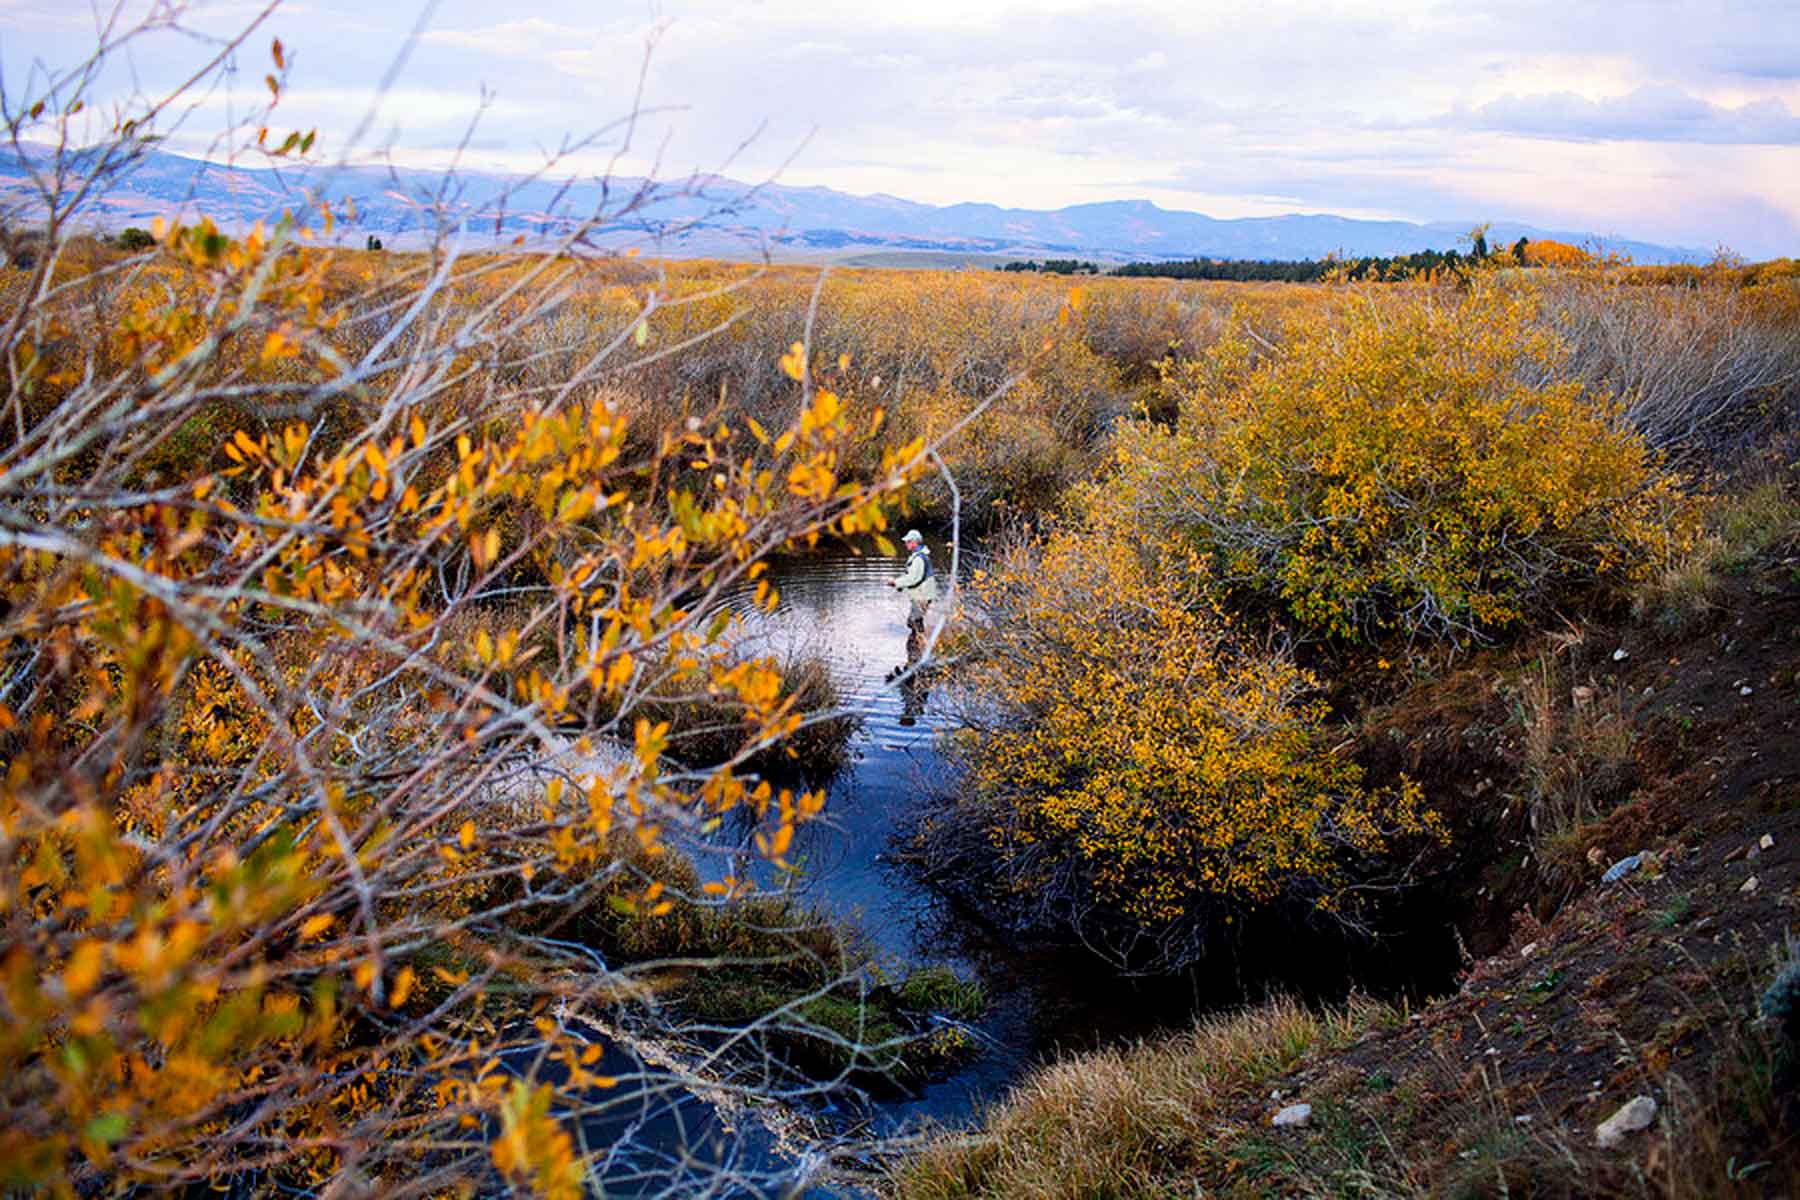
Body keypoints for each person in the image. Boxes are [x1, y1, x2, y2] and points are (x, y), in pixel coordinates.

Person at [890, 529, 938, 637]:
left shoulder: (919, 559)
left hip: (922, 596)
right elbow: (912, 576)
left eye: (908, 541)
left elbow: (913, 579)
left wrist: (895, 583)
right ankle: (918, 646)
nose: (905, 544)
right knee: (914, 622)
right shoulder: (918, 556)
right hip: (921, 595)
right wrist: (900, 585)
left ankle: (918, 648)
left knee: (914, 622)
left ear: (915, 542)